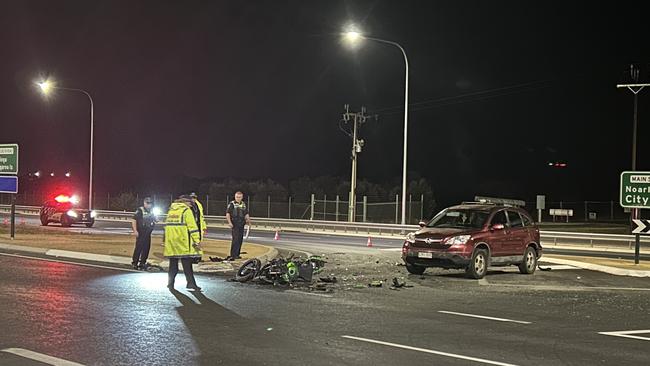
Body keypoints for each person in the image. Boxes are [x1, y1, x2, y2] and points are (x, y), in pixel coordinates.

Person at [163, 196, 203, 291]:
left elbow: (166, 227)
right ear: (185, 202)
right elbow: (192, 227)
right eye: (190, 203)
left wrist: (165, 240)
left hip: (172, 242)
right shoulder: (186, 211)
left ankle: (170, 283)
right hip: (183, 242)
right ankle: (191, 283)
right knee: (187, 265)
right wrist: (197, 240)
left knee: (173, 265)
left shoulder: (171, 211)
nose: (191, 205)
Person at [131, 197, 157, 270]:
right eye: (148, 203)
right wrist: (135, 231)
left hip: (148, 233)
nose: (149, 205)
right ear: (144, 203)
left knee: (146, 248)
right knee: (139, 248)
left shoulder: (151, 211)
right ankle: (135, 263)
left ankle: (142, 262)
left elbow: (155, 220)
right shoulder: (140, 210)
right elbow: (134, 220)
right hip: (141, 232)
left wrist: (155, 219)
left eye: (150, 203)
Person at [225, 191, 251, 260]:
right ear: (235, 197)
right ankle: (233, 255)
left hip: (241, 224)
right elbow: (228, 214)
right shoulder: (232, 204)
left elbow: (246, 213)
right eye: (237, 197)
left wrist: (248, 220)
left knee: (240, 239)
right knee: (235, 239)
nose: (238, 198)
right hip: (235, 224)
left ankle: (237, 254)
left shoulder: (243, 204)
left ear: (242, 197)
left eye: (239, 197)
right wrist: (229, 222)